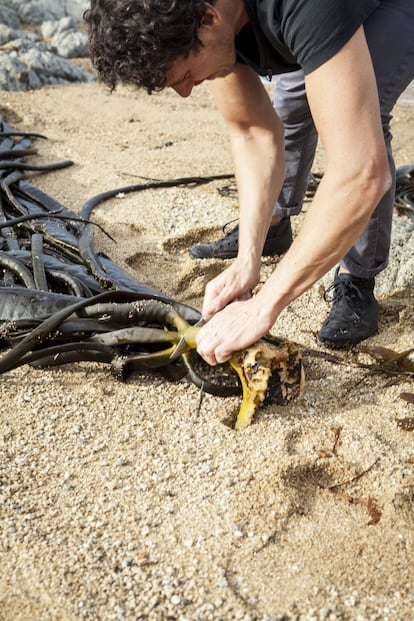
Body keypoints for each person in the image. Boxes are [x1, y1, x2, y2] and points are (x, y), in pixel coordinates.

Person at [85, 0, 414, 367]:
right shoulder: (199, 18)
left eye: (185, 76)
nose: (186, 92)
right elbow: (252, 129)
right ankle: (273, 229)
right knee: (292, 103)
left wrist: (264, 305)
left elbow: (361, 172)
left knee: (367, 113)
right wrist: (247, 258)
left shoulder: (301, 7)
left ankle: (358, 277)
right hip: (292, 16)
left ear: (210, 19)